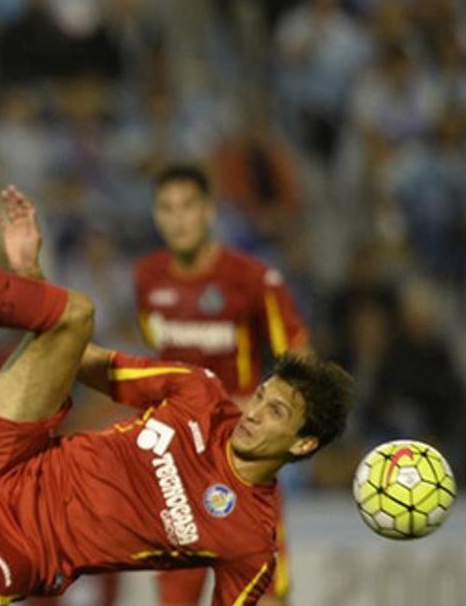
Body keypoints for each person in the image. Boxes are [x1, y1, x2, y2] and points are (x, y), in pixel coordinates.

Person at [0, 176, 353, 606]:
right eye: (263, 394)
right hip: (5, 454)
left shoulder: (249, 540)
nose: (255, 411)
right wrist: (32, 283)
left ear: (303, 442)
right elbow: (83, 359)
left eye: (276, 411)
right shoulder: (199, 394)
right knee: (77, 314)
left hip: (23, 545)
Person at [135, 164, 309, 605]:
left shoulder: (253, 279)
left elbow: (300, 360)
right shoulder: (148, 279)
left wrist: (265, 406)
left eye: (188, 207)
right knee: (176, 598)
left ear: (209, 211)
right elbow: (156, 362)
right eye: (167, 209)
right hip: (176, 466)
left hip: (243, 459)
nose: (178, 219)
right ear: (156, 216)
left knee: (263, 595)